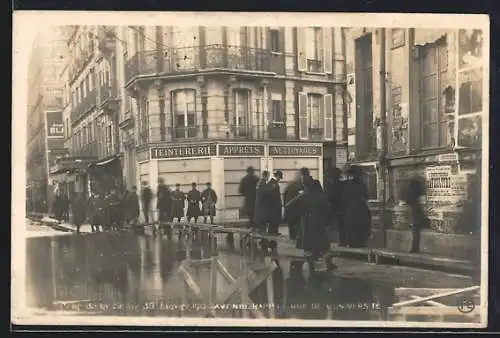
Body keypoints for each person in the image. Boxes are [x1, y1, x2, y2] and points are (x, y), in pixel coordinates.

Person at [285, 175, 331, 270]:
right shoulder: (320, 196)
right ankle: (322, 264)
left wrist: (298, 215)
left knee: (308, 247)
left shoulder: (303, 195)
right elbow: (328, 210)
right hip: (320, 222)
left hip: (307, 222)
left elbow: (288, 206)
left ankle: (312, 266)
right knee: (321, 245)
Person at [342, 166, 372, 248]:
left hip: (351, 207)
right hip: (360, 207)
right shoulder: (362, 184)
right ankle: (358, 241)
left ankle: (352, 242)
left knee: (352, 225)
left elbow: (344, 197)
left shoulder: (347, 185)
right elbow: (366, 196)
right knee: (360, 225)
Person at [401, 176, 429, 253]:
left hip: (414, 216)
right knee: (416, 231)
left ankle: (414, 248)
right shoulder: (416, 200)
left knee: (415, 231)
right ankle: (415, 248)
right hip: (416, 216)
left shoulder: (410, 197)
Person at [283, 167, 310, 239]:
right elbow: (288, 202)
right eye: (306, 175)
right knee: (295, 232)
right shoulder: (295, 186)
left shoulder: (293, 186)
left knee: (295, 233)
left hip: (295, 213)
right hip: (295, 212)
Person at [324, 168, 347, 246]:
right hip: (341, 209)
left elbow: (328, 197)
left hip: (333, 209)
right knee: (342, 227)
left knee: (328, 226)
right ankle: (342, 242)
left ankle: (327, 242)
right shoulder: (342, 185)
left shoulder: (330, 186)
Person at [266, 170, 283, 235]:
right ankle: (272, 231)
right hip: (274, 205)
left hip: (274, 204)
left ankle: (274, 231)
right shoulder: (273, 183)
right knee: (274, 218)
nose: (280, 179)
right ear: (277, 176)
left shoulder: (273, 183)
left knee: (274, 218)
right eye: (279, 177)